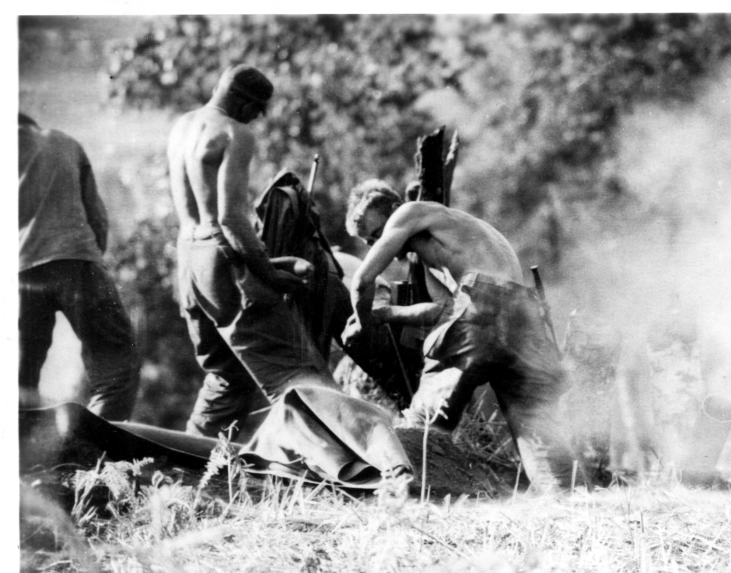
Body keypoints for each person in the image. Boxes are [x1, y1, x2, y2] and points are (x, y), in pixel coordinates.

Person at [167, 66, 412, 489]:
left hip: (188, 261)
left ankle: (177, 475)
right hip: (222, 261)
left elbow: (206, 224)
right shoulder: (234, 132)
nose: (257, 121)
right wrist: (269, 275)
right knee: (299, 378)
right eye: (258, 112)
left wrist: (270, 263)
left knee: (226, 379)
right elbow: (228, 219)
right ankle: (368, 469)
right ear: (247, 104)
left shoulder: (182, 126)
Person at [343, 184, 576, 491]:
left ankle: (406, 495)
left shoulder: (410, 212)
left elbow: (362, 281)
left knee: (426, 417)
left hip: (483, 303)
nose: (376, 245)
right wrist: (387, 314)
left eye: (375, 235)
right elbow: (444, 310)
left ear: (392, 211)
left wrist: (362, 324)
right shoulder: (445, 235)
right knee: (536, 425)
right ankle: (566, 495)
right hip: (521, 312)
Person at [18, 113, 139, 420]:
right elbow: (97, 217)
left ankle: (23, 459)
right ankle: (98, 454)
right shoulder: (62, 141)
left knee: (19, 378)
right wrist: (94, 262)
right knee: (115, 370)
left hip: (18, 274)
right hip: (76, 263)